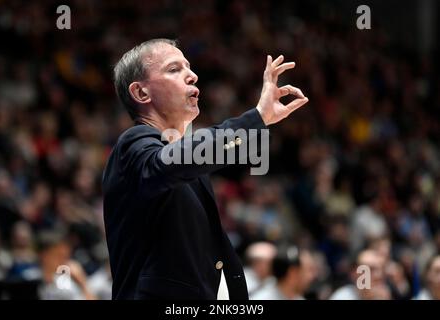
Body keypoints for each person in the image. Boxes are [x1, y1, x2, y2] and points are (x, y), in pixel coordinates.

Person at [102, 38, 309, 300]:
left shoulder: (189, 168)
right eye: (174, 69)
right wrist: (256, 118)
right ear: (142, 93)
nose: (192, 75)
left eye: (188, 67)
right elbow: (173, 162)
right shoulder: (131, 145)